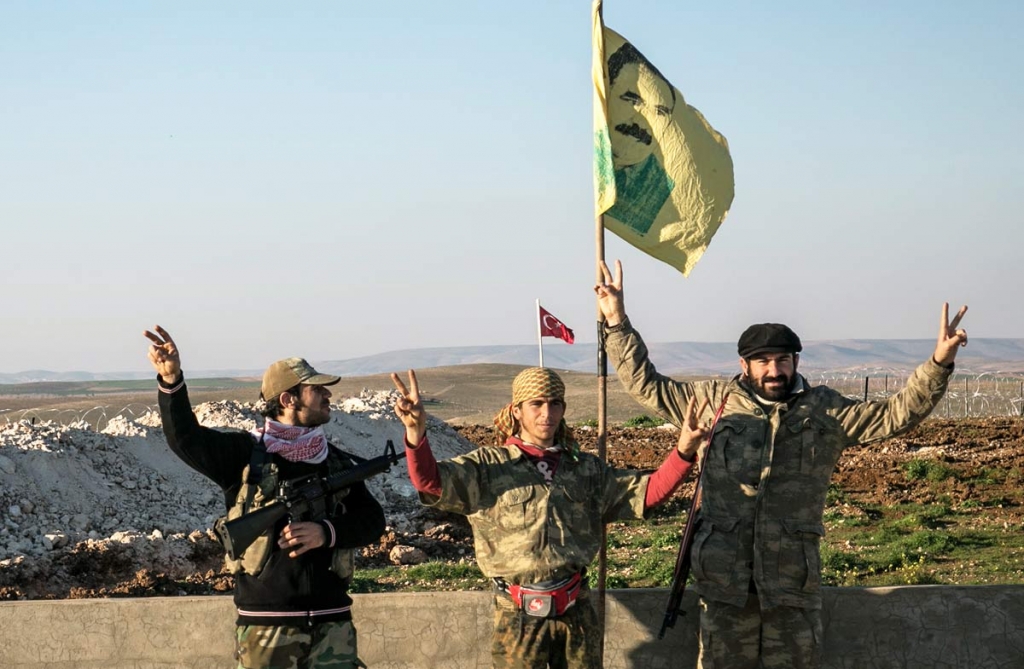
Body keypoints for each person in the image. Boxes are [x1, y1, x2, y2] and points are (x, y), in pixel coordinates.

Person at [593, 260, 968, 669]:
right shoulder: (711, 402)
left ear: (795, 362)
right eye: (764, 361)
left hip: (792, 585)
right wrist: (616, 321)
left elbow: (895, 413)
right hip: (724, 585)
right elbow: (645, 383)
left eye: (783, 360)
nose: (775, 370)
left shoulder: (824, 410)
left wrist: (939, 363)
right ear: (744, 366)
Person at [391, 365, 706, 668]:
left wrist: (684, 451)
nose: (547, 413)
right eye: (536, 404)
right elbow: (431, 482)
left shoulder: (586, 469)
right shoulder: (488, 467)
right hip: (517, 617)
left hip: (577, 613)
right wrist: (416, 434)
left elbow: (647, 493)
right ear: (516, 410)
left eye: (555, 403)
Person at [144, 325, 385, 669]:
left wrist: (326, 532)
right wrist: (171, 381)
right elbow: (185, 439)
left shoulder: (335, 461)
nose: (328, 396)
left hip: (333, 624)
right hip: (265, 626)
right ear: (288, 399)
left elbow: (373, 521)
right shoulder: (245, 454)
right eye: (317, 390)